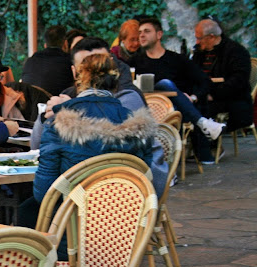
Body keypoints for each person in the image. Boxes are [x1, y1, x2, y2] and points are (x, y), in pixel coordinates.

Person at [18, 54, 155, 233]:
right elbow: (144, 179)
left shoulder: (59, 124)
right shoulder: (139, 126)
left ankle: (36, 259)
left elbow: (44, 193)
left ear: (76, 76)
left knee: (27, 209)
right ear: (116, 81)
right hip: (123, 227)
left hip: (72, 231)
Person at [130, 17, 225, 163]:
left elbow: (205, 81)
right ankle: (203, 123)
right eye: (140, 32)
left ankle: (169, 164)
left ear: (159, 34)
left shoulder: (177, 60)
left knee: (167, 86)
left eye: (147, 31)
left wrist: (193, 98)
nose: (141, 35)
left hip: (177, 112)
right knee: (166, 84)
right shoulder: (135, 62)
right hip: (147, 111)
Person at [192, 19, 253, 133]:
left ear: (211, 37)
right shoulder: (199, 53)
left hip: (230, 98)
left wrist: (213, 95)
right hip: (203, 95)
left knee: (201, 111)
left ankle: (211, 148)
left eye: (199, 38)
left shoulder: (236, 51)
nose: (197, 42)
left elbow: (239, 80)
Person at [21, 25, 74, 96]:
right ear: (65, 43)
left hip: (30, 104)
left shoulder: (31, 61)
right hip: (56, 105)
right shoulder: (69, 62)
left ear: (45, 45)